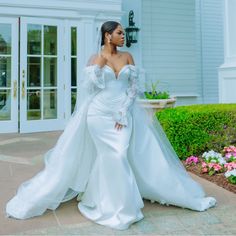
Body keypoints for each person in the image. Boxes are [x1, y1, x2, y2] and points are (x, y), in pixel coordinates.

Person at [6, 21, 216, 230]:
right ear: (107, 36)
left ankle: (111, 200)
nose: (123, 36)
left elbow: (133, 88)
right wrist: (99, 64)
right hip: (98, 115)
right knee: (111, 156)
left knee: (118, 155)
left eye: (123, 33)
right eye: (119, 33)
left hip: (123, 114)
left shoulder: (127, 57)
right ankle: (118, 206)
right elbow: (90, 87)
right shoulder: (96, 58)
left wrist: (123, 111)